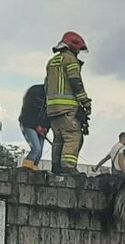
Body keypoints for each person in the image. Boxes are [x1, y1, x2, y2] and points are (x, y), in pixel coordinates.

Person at [45, 31, 91, 174]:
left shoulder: (52, 62)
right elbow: (76, 82)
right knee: (73, 137)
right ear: (74, 48)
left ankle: (56, 167)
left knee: (59, 138)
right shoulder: (70, 60)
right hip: (68, 108)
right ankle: (68, 167)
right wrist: (85, 102)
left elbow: (46, 85)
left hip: (52, 109)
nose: (79, 53)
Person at [17, 84, 49, 170]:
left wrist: (46, 127)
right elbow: (28, 112)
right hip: (28, 124)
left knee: (39, 153)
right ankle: (26, 169)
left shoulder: (51, 97)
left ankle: (34, 168)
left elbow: (49, 115)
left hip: (41, 127)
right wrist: (36, 126)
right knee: (36, 149)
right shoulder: (35, 92)